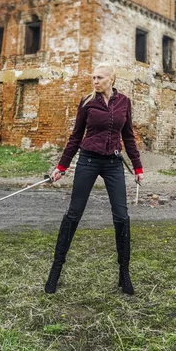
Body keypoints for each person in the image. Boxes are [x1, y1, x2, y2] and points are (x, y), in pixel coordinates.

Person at [44, 63, 144, 295]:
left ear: (111, 79)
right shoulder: (87, 102)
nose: (95, 81)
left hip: (113, 164)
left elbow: (128, 136)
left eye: (99, 77)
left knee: (122, 216)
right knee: (74, 213)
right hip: (88, 161)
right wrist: (62, 166)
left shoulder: (124, 102)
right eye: (93, 77)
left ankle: (124, 274)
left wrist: (138, 167)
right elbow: (76, 136)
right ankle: (55, 271)